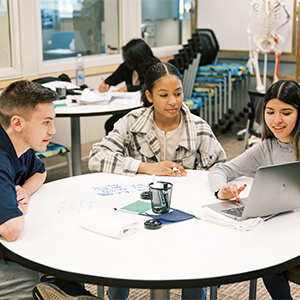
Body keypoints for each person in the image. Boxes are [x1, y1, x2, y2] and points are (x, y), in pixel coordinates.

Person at [89, 62, 226, 299]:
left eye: (178, 93)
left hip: (187, 215)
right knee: (122, 253)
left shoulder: (198, 128)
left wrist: (220, 186)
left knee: (193, 266)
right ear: (149, 96)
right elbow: (97, 157)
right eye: (164, 95)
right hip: (135, 210)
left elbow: (221, 167)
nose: (173, 101)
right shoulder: (132, 123)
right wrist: (145, 167)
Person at [0, 80, 98, 300]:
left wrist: (24, 190)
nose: (53, 131)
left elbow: (40, 173)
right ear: (17, 123)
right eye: (46, 122)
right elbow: (11, 229)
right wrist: (18, 208)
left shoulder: (19, 143)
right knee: (35, 283)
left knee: (64, 266)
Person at [208, 79, 300, 300]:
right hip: (282, 234)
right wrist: (221, 190)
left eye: (286, 113)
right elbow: (220, 169)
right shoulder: (266, 148)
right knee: (269, 263)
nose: (276, 120)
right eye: (270, 112)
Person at [98, 38, 160, 134]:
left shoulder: (156, 67)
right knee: (111, 124)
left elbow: (152, 87)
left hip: (149, 110)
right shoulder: (127, 67)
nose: (126, 61)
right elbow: (113, 79)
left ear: (138, 59)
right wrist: (106, 84)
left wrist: (129, 88)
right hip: (130, 107)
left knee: (113, 124)